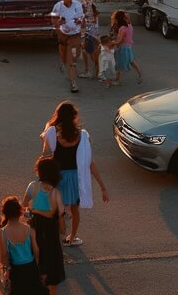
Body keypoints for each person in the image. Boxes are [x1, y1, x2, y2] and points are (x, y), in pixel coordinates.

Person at [40, 102, 109, 248]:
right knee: (75, 209)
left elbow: (45, 155)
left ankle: (56, 236)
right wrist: (103, 187)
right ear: (74, 117)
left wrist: (44, 137)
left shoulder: (53, 133)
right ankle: (72, 238)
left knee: (56, 208)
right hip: (75, 179)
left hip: (57, 178)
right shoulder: (82, 136)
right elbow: (90, 163)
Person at [22, 157, 65, 295]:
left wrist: (30, 214)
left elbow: (24, 205)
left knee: (35, 262)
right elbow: (59, 216)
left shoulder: (32, 186)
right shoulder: (56, 191)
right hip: (51, 230)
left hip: (35, 226)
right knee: (52, 270)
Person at [0, 195, 47, 295]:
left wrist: (4, 272)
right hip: (31, 268)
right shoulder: (29, 229)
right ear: (20, 212)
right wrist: (37, 267)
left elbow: (4, 255)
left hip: (16, 271)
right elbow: (36, 251)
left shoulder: (2, 233)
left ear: (4, 212)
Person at [50, 0, 85, 93]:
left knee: (71, 60)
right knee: (64, 58)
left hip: (75, 35)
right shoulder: (58, 6)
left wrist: (79, 21)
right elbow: (54, 18)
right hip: (63, 34)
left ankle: (74, 84)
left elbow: (81, 19)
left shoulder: (77, 5)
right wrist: (58, 26)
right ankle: (67, 67)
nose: (67, 0)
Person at [110, 10, 142, 85]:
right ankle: (139, 73)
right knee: (131, 61)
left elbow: (120, 40)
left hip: (123, 48)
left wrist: (112, 43)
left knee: (119, 63)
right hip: (128, 47)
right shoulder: (130, 25)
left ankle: (117, 80)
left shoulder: (122, 28)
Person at [78, 0, 100, 79]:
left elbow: (82, 15)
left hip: (86, 29)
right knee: (93, 50)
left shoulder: (85, 3)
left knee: (86, 50)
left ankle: (88, 70)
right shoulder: (93, 3)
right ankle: (97, 71)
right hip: (93, 29)